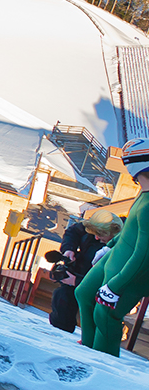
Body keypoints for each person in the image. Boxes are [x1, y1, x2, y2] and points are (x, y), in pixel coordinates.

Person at [77, 136, 149, 356]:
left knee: (105, 313)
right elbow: (131, 230)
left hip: (131, 269)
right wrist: (109, 246)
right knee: (84, 293)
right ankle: (88, 348)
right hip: (117, 255)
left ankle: (101, 361)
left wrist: (115, 286)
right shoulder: (143, 195)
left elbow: (144, 254)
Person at [46, 208, 122, 333]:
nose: (97, 237)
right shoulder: (94, 227)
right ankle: (59, 332)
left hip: (98, 291)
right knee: (61, 297)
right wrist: (68, 249)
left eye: (100, 234)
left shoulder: (119, 248)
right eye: (95, 234)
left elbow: (110, 280)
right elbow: (72, 232)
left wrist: (78, 281)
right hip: (78, 273)